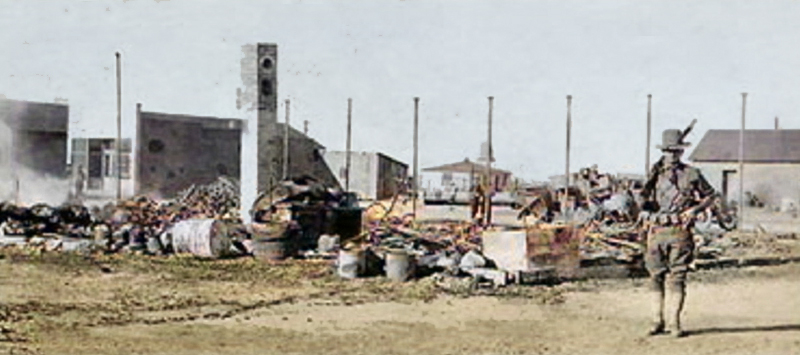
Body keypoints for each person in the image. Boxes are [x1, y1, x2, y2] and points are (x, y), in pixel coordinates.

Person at [640, 127, 718, 338]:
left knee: (678, 277)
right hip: (656, 232)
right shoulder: (654, 174)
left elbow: (711, 195)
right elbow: (642, 199)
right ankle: (656, 320)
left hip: (680, 232)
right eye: (669, 151)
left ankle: (674, 322)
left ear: (682, 152)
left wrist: (695, 209)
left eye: (677, 151)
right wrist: (645, 210)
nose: (673, 155)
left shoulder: (692, 173)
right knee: (655, 277)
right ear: (663, 151)